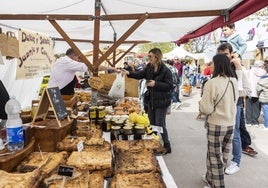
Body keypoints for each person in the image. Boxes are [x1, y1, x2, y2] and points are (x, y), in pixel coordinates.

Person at [122, 48, 173, 154]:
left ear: (156, 57)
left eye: (150, 56)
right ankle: (153, 143)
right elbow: (140, 75)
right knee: (151, 123)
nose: (148, 58)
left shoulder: (165, 70)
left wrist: (156, 84)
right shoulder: (149, 67)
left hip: (161, 101)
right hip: (151, 100)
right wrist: (128, 72)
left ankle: (167, 146)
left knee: (160, 124)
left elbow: (170, 86)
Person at [200, 54, 238, 188]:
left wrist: (201, 105)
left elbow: (205, 108)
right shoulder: (233, 81)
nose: (210, 66)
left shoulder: (212, 83)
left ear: (217, 65)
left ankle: (218, 185)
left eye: (212, 63)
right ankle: (210, 179)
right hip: (230, 123)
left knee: (214, 156)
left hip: (216, 123)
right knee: (223, 155)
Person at [217, 43, 252, 175]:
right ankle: (222, 160)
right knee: (222, 134)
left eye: (226, 54)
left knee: (235, 133)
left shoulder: (238, 68)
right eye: (221, 55)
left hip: (235, 104)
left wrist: (238, 69)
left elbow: (247, 90)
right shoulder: (219, 68)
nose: (223, 57)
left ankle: (236, 161)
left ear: (231, 54)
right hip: (222, 106)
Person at [48, 48, 114, 95]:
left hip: (59, 91)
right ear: (73, 56)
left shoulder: (63, 60)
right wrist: (109, 68)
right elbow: (92, 67)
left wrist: (81, 60)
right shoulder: (68, 62)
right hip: (59, 92)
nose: (78, 60)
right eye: (78, 57)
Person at [245, 60, 266, 127]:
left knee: (248, 107)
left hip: (249, 91)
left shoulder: (250, 71)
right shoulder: (263, 72)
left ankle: (248, 121)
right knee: (256, 107)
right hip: (258, 91)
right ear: (261, 65)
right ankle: (255, 121)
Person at [257, 62, 268, 129]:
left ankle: (266, 125)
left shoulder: (263, 79)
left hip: (265, 98)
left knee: (266, 112)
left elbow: (258, 88)